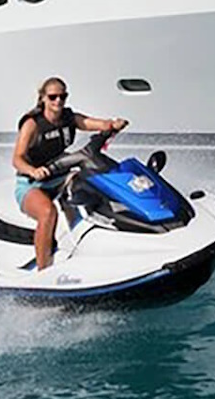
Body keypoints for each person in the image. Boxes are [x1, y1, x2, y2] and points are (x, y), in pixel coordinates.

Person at [11, 77, 128, 271]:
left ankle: (92, 245)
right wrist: (33, 170)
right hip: (32, 183)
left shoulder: (69, 118)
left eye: (62, 96)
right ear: (43, 98)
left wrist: (113, 124)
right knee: (48, 212)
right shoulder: (32, 124)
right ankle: (43, 270)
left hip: (60, 177)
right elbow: (17, 159)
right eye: (53, 97)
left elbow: (93, 123)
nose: (58, 101)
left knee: (93, 182)